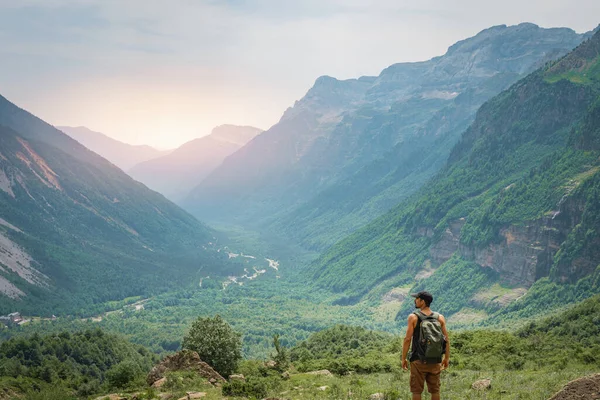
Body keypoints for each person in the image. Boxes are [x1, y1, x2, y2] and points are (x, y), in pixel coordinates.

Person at [401, 291, 450, 400]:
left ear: (422, 301)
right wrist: (446, 358)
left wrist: (403, 358)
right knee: (435, 391)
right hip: (436, 360)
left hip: (418, 360)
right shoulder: (440, 318)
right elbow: (446, 339)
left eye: (417, 298)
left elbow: (407, 339)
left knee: (417, 391)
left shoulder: (413, 317)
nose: (415, 300)